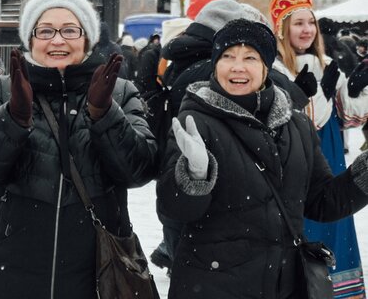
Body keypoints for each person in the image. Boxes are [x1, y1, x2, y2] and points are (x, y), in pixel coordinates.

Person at [0, 0, 158, 298]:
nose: (58, 40)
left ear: (87, 39)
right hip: (11, 265)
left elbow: (139, 171)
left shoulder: (119, 92)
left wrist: (104, 115)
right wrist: (13, 117)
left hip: (96, 267)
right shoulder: (2, 88)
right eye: (46, 30)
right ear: (31, 39)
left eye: (70, 30)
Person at [158, 18, 368, 298]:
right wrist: (194, 176)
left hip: (285, 285)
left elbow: (322, 202)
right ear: (215, 64)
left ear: (266, 66)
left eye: (250, 57)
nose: (237, 66)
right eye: (227, 56)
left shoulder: (297, 126)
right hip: (213, 286)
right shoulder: (194, 123)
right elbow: (175, 211)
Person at [268, 0, 368, 296]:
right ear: (283, 29)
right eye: (298, 23)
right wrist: (320, 94)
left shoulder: (328, 65)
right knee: (306, 227)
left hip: (331, 159)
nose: (307, 29)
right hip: (299, 162)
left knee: (335, 222)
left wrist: (357, 91)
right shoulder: (273, 70)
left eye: (311, 22)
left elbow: (351, 119)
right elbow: (302, 122)